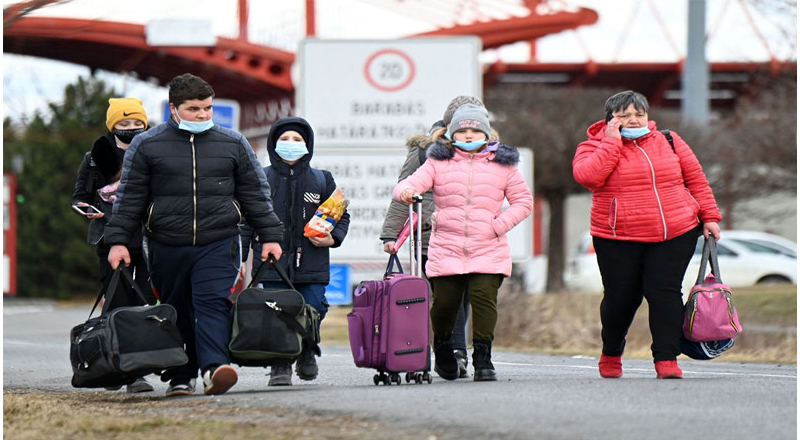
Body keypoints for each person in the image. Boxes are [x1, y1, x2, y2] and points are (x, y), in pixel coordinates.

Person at [105, 73, 284, 397]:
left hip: (219, 240)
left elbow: (256, 194)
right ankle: (181, 375)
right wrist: (118, 241)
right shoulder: (147, 145)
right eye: (194, 109)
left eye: (207, 108)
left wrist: (270, 236)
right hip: (165, 243)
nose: (203, 115)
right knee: (176, 307)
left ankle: (213, 368)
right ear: (174, 108)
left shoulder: (233, 143)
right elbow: (130, 198)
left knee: (212, 301)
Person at [572, 90, 721, 379]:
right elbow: (588, 177)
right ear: (609, 120)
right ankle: (611, 352)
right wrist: (611, 142)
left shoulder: (670, 140)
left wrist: (710, 216)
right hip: (617, 236)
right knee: (621, 299)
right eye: (624, 115)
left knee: (664, 293)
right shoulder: (592, 146)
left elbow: (697, 180)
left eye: (639, 113)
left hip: (675, 230)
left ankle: (667, 359)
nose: (633, 119)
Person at [393, 104, 533, 382]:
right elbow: (406, 185)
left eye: (474, 130)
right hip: (447, 245)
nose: (469, 136)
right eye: (463, 131)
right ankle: (443, 347)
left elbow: (523, 202)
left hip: (488, 247)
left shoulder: (503, 165)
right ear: (452, 134)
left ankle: (483, 357)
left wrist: (497, 226)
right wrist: (407, 192)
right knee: (445, 304)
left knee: (484, 299)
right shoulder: (437, 162)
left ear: (485, 133)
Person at [380, 95, 488, 378]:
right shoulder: (425, 151)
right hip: (431, 237)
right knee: (447, 295)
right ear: (450, 122)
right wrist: (391, 234)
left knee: (463, 295)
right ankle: (452, 352)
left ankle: (455, 352)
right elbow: (403, 192)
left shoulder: (487, 152)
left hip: (474, 237)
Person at [241, 116, 350, 386]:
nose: (291, 144)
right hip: (271, 263)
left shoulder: (322, 179)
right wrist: (240, 258)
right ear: (272, 144)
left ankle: (307, 352)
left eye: (298, 140)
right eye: (284, 139)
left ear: (308, 145)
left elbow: (341, 215)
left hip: (312, 261)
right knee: (277, 311)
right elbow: (246, 220)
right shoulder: (260, 179)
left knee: (314, 308)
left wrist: (333, 238)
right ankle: (280, 365)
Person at [71, 97, 155, 394]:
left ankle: (138, 370)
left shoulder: (152, 153)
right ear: (112, 125)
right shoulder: (95, 158)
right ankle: (114, 364)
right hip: (108, 239)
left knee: (143, 303)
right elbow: (79, 195)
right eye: (124, 123)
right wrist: (86, 208)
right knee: (116, 302)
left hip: (147, 238)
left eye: (136, 124)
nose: (130, 129)